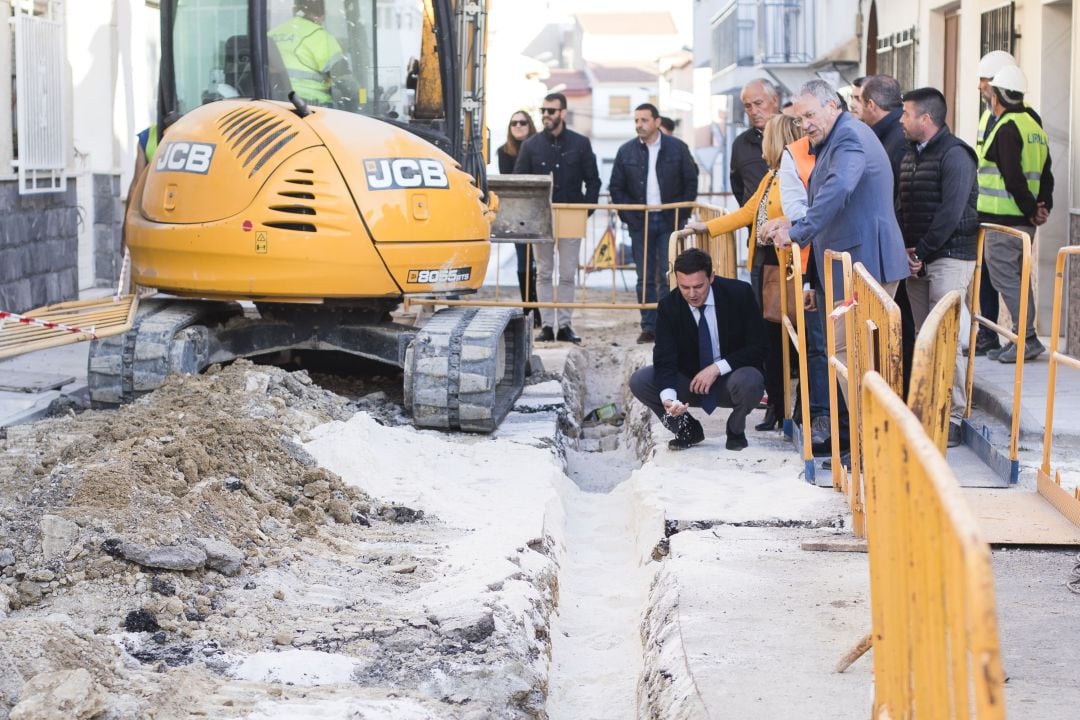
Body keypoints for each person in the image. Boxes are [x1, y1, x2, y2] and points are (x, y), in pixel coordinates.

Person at [767, 79, 910, 448]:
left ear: (834, 105)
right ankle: (870, 440)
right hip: (849, 268)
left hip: (866, 267)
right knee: (851, 355)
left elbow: (838, 193)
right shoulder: (836, 138)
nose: (805, 125)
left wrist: (797, 230)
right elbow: (829, 210)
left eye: (810, 115)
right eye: (799, 119)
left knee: (853, 355)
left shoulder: (849, 138)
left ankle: (872, 444)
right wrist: (813, 278)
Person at [683, 114, 801, 432]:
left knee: (789, 339)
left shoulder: (795, 175)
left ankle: (795, 409)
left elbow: (796, 216)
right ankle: (776, 406)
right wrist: (706, 226)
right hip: (763, 267)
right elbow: (747, 212)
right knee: (770, 340)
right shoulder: (771, 176)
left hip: (784, 268)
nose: (760, 147)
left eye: (765, 141)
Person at [896, 87, 979, 444]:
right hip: (919, 260)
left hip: (949, 259)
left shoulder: (957, 155)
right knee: (925, 339)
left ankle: (954, 415)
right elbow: (904, 205)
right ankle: (929, 410)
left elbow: (951, 212)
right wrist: (908, 252)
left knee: (947, 339)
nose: (901, 120)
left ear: (925, 119)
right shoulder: (911, 154)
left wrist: (922, 252)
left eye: (906, 114)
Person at [629, 248, 765, 451]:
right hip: (690, 382)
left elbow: (759, 346)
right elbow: (664, 359)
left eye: (698, 286)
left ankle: (736, 428)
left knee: (751, 380)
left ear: (712, 277)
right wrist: (669, 400)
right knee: (641, 380)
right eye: (684, 287)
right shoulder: (669, 306)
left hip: (731, 379)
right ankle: (686, 429)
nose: (692, 294)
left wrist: (717, 368)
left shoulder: (740, 293)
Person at [977, 65, 1053, 363]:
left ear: (997, 96)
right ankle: (1024, 337)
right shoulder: (1033, 125)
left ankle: (1028, 338)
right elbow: (1046, 173)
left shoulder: (1007, 127)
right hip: (1022, 219)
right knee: (1019, 280)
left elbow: (1012, 176)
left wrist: (1031, 209)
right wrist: (1041, 205)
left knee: (1007, 280)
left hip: (1004, 220)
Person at [514, 92, 601, 343]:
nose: (545, 115)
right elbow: (522, 182)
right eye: (543, 110)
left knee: (566, 273)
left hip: (572, 216)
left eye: (550, 111)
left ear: (562, 113)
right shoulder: (531, 145)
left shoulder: (580, 143)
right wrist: (529, 215)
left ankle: (564, 325)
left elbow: (593, 180)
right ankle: (547, 325)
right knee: (543, 272)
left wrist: (585, 209)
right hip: (542, 219)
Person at [609, 103, 699, 344]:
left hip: (670, 218)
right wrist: (631, 216)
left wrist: (681, 214)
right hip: (641, 220)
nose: (639, 124)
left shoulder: (677, 148)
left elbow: (691, 181)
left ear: (657, 122)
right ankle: (649, 326)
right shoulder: (626, 151)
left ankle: (669, 325)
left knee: (668, 272)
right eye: (636, 120)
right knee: (645, 275)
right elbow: (616, 187)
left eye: (644, 120)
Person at [860, 73, 915, 395]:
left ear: (871, 104)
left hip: (898, 246)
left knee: (901, 325)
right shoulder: (887, 135)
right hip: (899, 244)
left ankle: (902, 392)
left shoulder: (892, 138)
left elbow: (900, 197)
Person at [269, 0, 361, 110]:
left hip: (273, 103)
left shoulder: (272, 34)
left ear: (294, 10)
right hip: (309, 107)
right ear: (322, 16)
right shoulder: (318, 35)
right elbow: (346, 83)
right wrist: (361, 100)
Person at [496, 111, 541, 327]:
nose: (518, 126)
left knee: (541, 265)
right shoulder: (503, 152)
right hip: (518, 213)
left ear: (530, 125)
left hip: (538, 210)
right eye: (514, 122)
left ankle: (542, 308)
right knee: (523, 261)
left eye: (523, 122)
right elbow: (512, 179)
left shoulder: (539, 148)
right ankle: (528, 307)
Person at [730, 79, 780, 205]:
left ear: (775, 100)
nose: (753, 111)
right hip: (756, 221)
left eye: (758, 103)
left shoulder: (797, 133)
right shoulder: (740, 144)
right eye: (748, 106)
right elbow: (738, 187)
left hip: (795, 222)